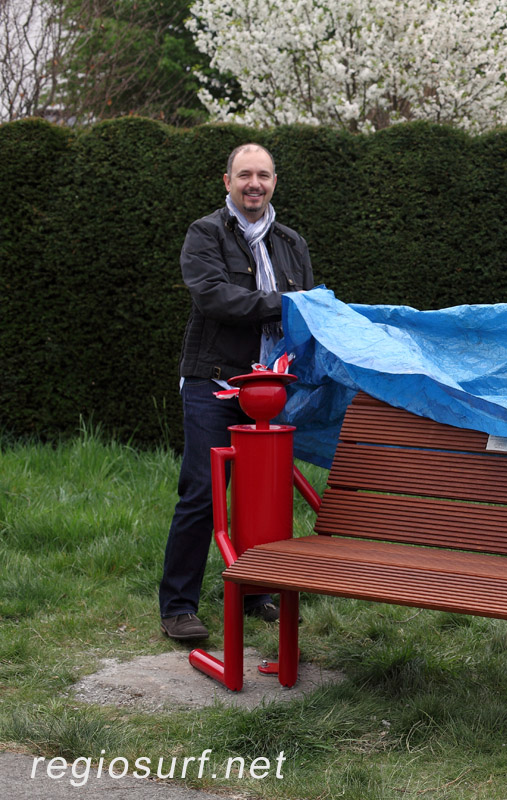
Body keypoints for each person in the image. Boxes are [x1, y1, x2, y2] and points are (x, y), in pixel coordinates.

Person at [159, 143, 315, 641]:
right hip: (216, 382)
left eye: (263, 175)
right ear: (226, 182)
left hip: (270, 389)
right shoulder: (205, 233)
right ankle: (178, 605)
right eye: (244, 175)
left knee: (260, 495)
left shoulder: (292, 241)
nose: (254, 184)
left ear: (274, 183)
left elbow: (308, 309)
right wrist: (282, 305)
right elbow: (214, 297)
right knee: (203, 492)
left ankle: (255, 591)